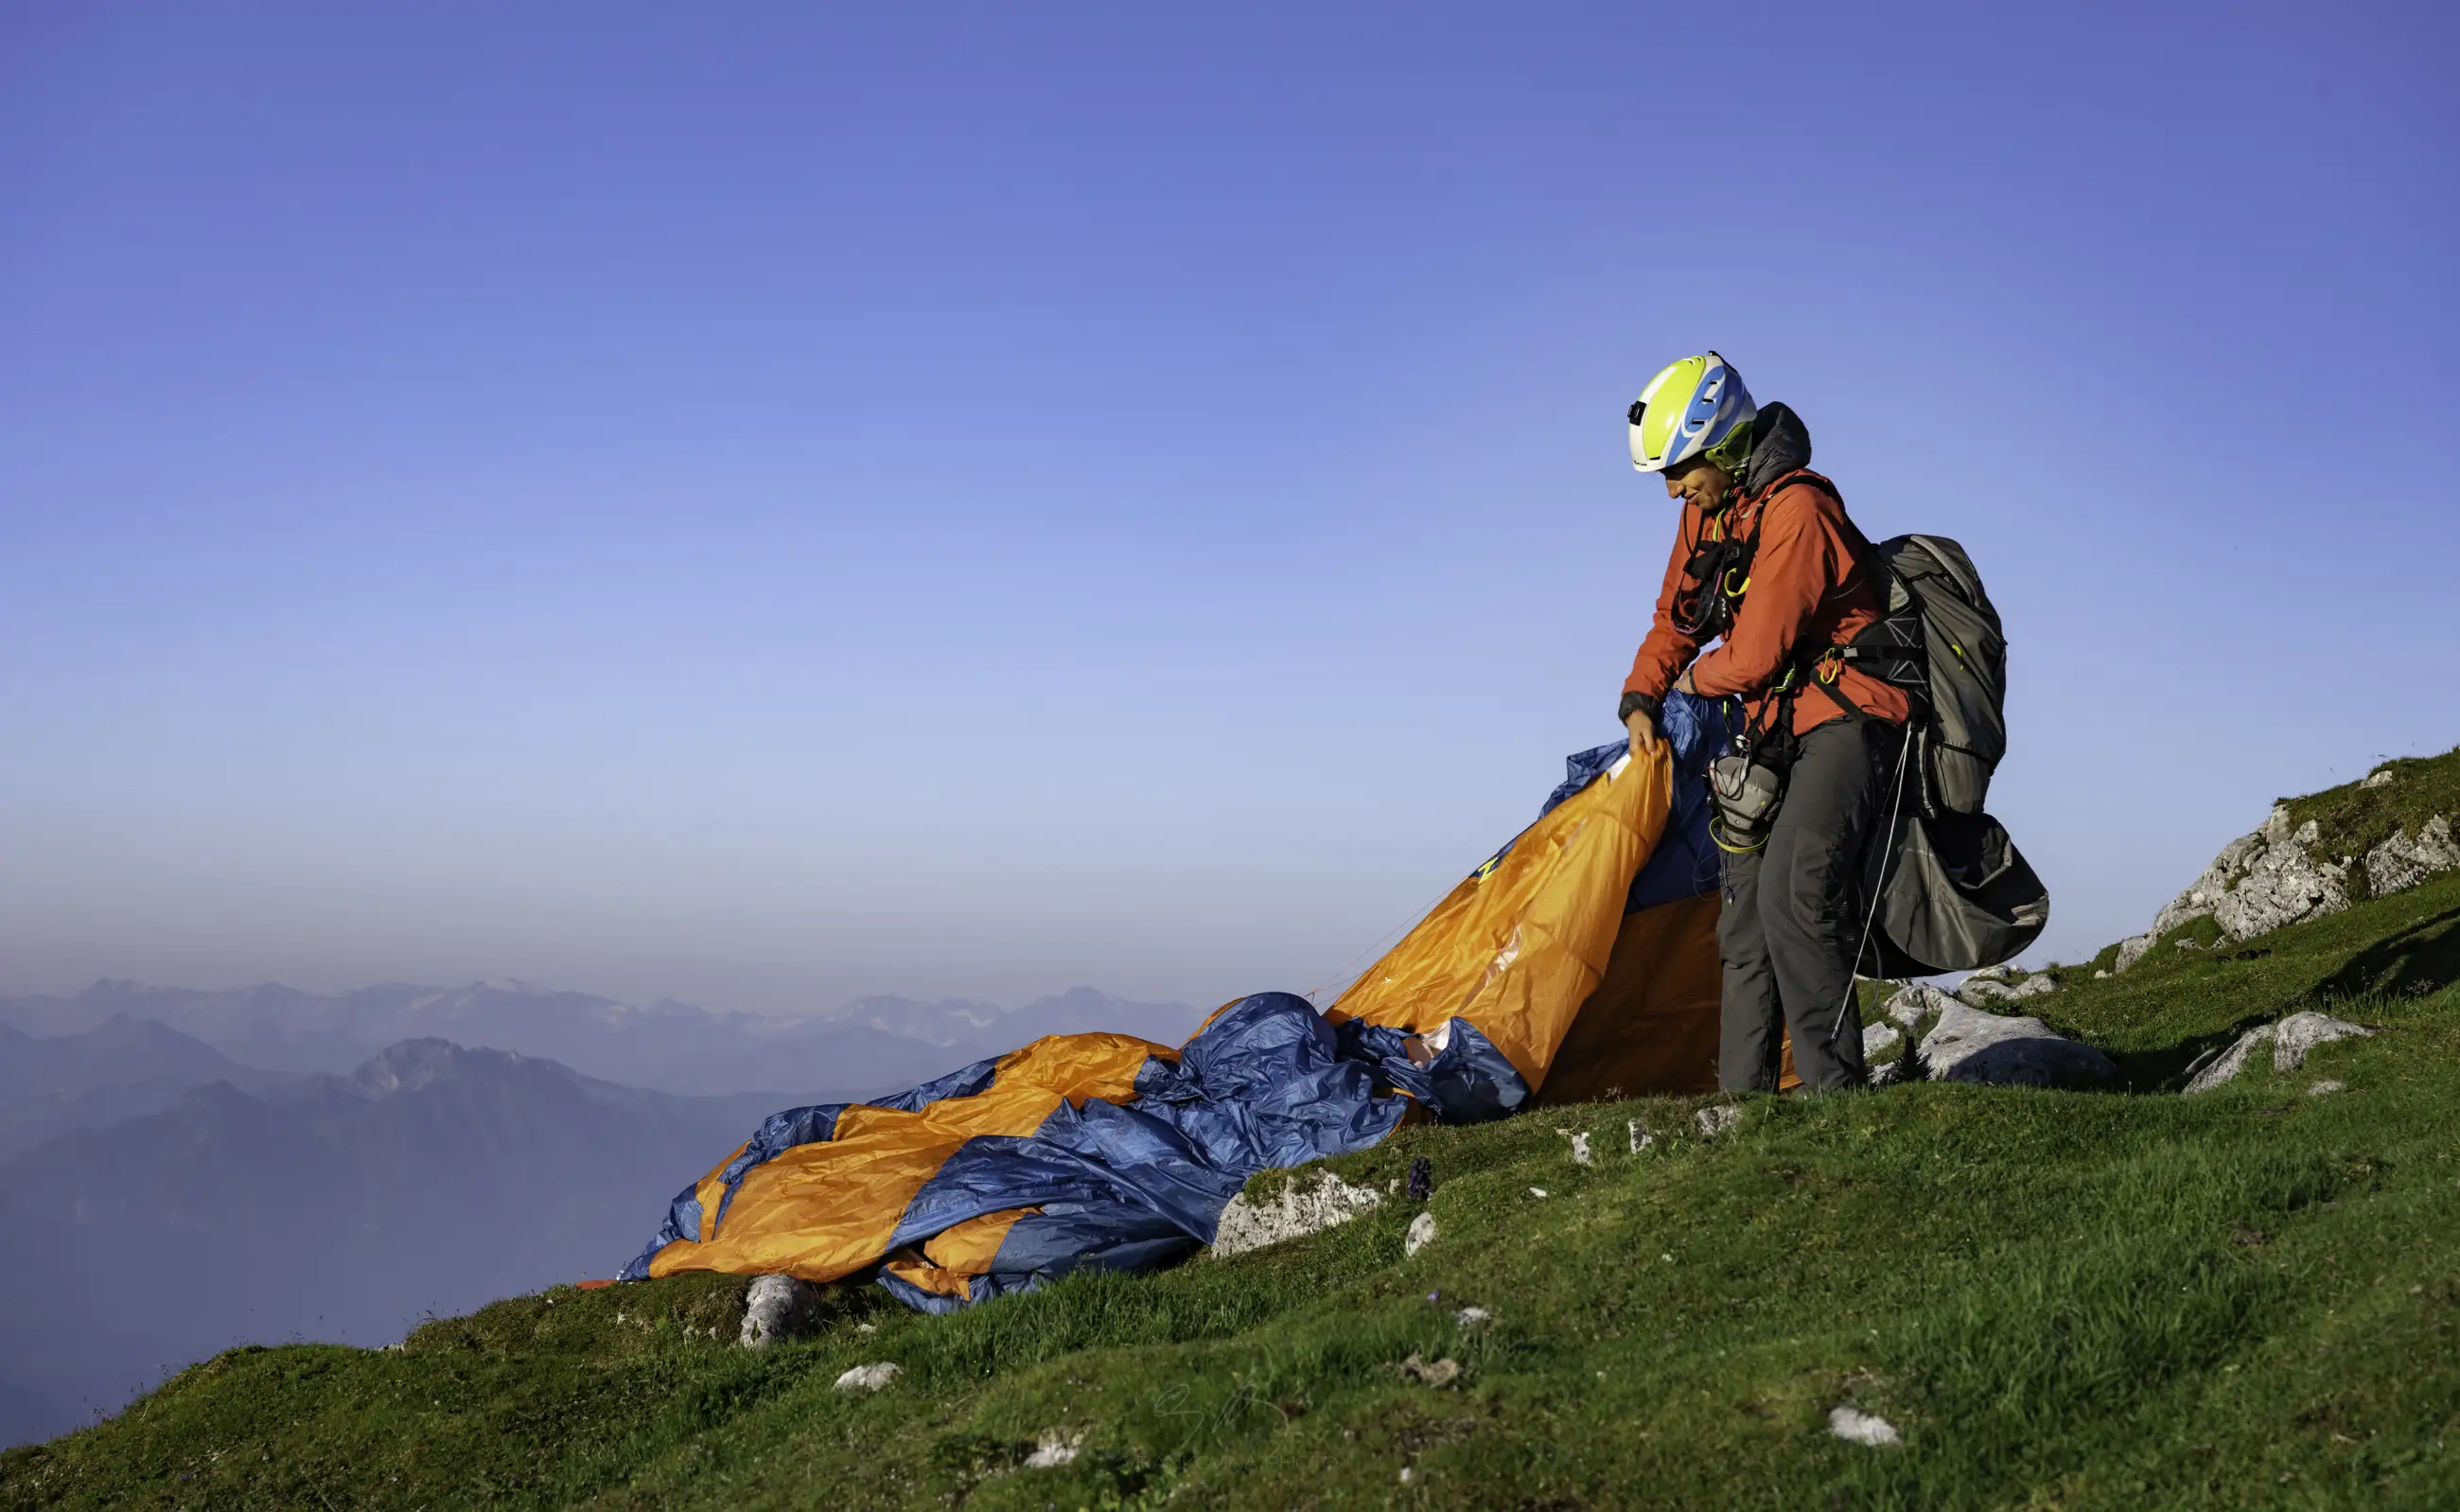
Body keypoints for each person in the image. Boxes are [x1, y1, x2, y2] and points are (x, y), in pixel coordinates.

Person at [1616, 353, 1910, 1093]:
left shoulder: (1800, 510)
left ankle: (1839, 1103)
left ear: (1721, 444)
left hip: (1848, 717)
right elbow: (1676, 617)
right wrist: (1641, 698)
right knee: (1742, 925)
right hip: (1769, 730)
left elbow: (1754, 655)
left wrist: (1687, 682)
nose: (1674, 490)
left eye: (1679, 469)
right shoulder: (1705, 514)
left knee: (1796, 899)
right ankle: (1742, 1114)